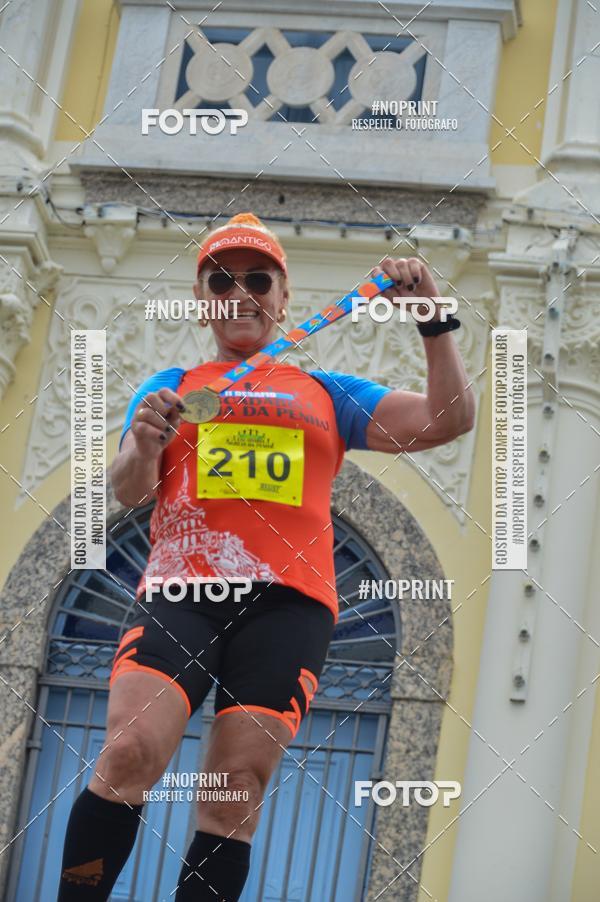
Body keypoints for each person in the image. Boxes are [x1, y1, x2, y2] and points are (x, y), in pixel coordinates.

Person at [57, 212, 475, 901]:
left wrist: (433, 316)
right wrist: (144, 440)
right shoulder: (172, 384)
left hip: (290, 606)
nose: (241, 292)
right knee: (129, 753)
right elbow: (130, 490)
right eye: (222, 280)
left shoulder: (328, 393)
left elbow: (448, 419)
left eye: (259, 279)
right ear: (202, 302)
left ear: (283, 299)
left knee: (233, 793)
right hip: (182, 592)